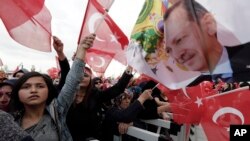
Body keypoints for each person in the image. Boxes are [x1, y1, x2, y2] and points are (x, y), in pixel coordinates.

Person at [9, 33, 96, 141]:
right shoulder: (8, 121)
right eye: (26, 87)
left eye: (40, 86)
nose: (33, 90)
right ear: (17, 92)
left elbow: (73, 81)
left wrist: (82, 49)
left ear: (48, 91)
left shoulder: (57, 111)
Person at [163, 0, 250, 83]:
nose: (177, 56)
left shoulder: (245, 56)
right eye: (169, 50)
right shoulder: (192, 91)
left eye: (179, 40)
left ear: (209, 24)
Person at [66, 65, 134, 141]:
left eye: (85, 75)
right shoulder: (66, 95)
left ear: (90, 80)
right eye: (79, 74)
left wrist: (128, 71)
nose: (82, 77)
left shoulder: (96, 95)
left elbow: (117, 89)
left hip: (91, 138)